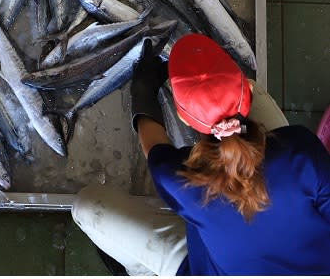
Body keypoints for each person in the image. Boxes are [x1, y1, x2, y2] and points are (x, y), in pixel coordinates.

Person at [72, 33, 330, 276]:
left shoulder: (183, 181)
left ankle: (139, 271)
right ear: (245, 94)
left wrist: (144, 90)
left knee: (87, 206)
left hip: (205, 269)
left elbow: (152, 143)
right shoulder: (300, 150)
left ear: (183, 118)